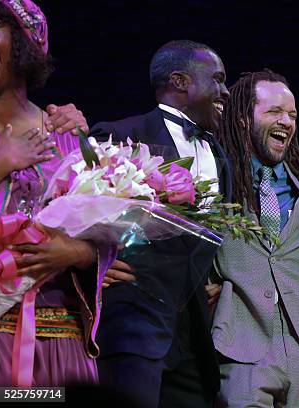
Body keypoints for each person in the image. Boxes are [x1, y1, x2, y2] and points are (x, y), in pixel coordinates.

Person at [88, 40, 230, 408]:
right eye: (217, 79)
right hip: (132, 328)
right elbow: (74, 214)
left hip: (194, 340)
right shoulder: (119, 136)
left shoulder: (220, 154)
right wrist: (91, 263)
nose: (225, 91)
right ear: (179, 82)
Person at [0, 0, 102, 386]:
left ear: (25, 45)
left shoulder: (65, 133)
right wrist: (2, 162)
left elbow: (104, 229)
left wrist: (79, 252)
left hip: (59, 337)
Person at [211, 69, 299, 407]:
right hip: (243, 342)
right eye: (274, 112)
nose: (287, 121)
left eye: (292, 114)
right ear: (243, 118)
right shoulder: (216, 178)